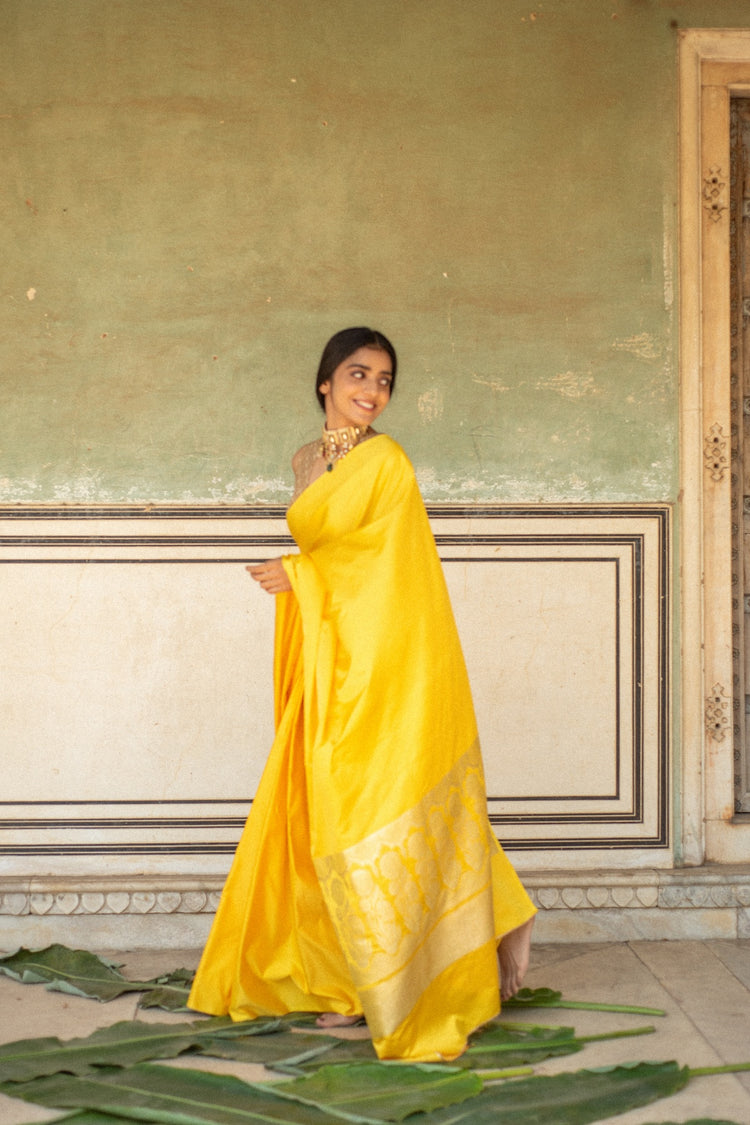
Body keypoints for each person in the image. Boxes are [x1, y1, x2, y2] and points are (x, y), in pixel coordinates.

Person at [187, 327, 535, 1061]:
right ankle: (354, 974)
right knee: (324, 816)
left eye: (383, 380)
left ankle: (416, 969)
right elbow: (329, 549)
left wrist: (301, 576)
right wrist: (306, 577)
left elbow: (390, 564)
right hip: (332, 654)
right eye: (358, 374)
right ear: (325, 382)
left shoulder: (389, 461)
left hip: (392, 656)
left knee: (369, 806)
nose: (371, 391)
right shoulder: (306, 461)